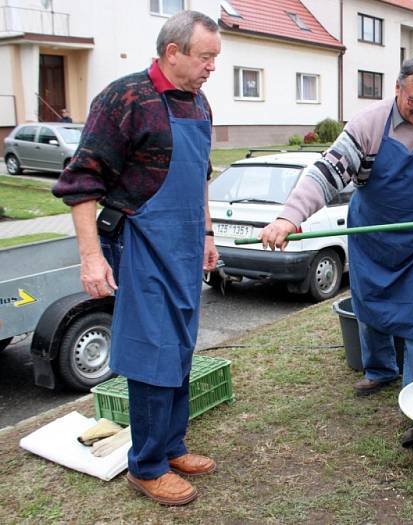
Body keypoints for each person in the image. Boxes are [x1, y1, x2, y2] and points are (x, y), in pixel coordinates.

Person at [260, 55, 413, 447]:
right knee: (369, 302)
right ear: (397, 89)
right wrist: (289, 218)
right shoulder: (368, 124)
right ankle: (380, 369)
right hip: (373, 234)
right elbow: (326, 173)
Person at [52, 11, 221, 506]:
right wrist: (90, 258)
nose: (212, 66)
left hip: (186, 242)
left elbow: (201, 174)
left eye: (215, 57)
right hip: (139, 241)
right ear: (174, 53)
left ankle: (170, 446)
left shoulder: (199, 102)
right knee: (153, 351)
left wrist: (208, 232)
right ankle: (145, 467)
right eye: (205, 56)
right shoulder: (125, 98)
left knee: (182, 346)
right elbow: (82, 181)